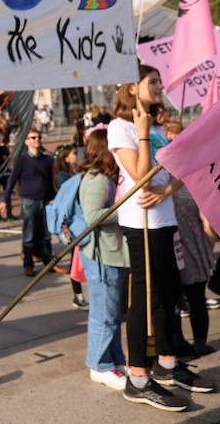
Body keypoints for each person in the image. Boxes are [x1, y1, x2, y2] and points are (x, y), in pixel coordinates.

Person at [109, 64, 212, 410]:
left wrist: (168, 188)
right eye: (151, 81)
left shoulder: (155, 128)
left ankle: (167, 363)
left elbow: (180, 172)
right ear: (132, 88)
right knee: (143, 298)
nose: (159, 85)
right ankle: (137, 377)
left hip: (165, 221)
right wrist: (140, 131)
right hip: (141, 224)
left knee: (169, 293)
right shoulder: (120, 127)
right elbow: (139, 178)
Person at [77, 127, 130, 391]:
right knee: (105, 313)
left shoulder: (102, 177)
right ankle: (100, 365)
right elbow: (93, 216)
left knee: (110, 312)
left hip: (108, 253)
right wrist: (125, 208)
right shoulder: (97, 178)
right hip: (103, 255)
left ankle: (113, 360)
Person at [164, 119, 216, 357]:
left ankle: (199, 343)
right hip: (171, 246)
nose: (174, 141)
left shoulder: (193, 176)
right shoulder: (160, 179)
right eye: (169, 138)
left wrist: (208, 240)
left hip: (193, 247)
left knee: (196, 297)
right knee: (172, 299)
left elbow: (207, 213)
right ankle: (176, 341)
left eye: (177, 137)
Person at [0, 128, 64, 277]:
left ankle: (49, 264)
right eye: (33, 137)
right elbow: (12, 180)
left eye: (38, 137)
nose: (37, 140)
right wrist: (4, 200)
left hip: (46, 200)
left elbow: (52, 180)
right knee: (29, 235)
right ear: (27, 141)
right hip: (29, 200)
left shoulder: (47, 159)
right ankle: (28, 264)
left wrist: (55, 196)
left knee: (46, 235)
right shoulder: (22, 159)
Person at [54, 144, 88, 311]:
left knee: (79, 258)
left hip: (79, 221)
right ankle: (78, 294)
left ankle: (79, 294)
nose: (77, 155)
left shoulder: (77, 172)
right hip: (73, 224)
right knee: (75, 258)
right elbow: (70, 192)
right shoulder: (63, 176)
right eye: (74, 154)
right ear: (66, 158)